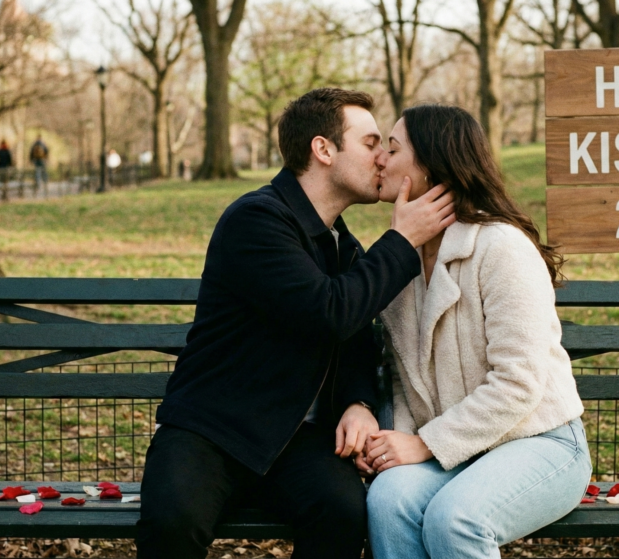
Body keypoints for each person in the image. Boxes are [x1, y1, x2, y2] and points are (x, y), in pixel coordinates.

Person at [136, 88, 456, 559]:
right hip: (212, 430)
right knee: (172, 524)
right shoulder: (257, 220)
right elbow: (328, 311)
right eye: (370, 144)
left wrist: (358, 402)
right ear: (323, 150)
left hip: (296, 441)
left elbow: (356, 338)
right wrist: (403, 240)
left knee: (343, 512)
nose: (382, 159)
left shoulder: (344, 246)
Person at [365, 104, 591, 559]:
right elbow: (402, 380)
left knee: (456, 520)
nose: (380, 160)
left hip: (540, 441)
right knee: (388, 501)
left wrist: (423, 443)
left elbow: (518, 383)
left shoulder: (501, 246)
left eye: (392, 148)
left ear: (430, 165)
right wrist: (400, 447)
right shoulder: (397, 259)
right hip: (457, 449)